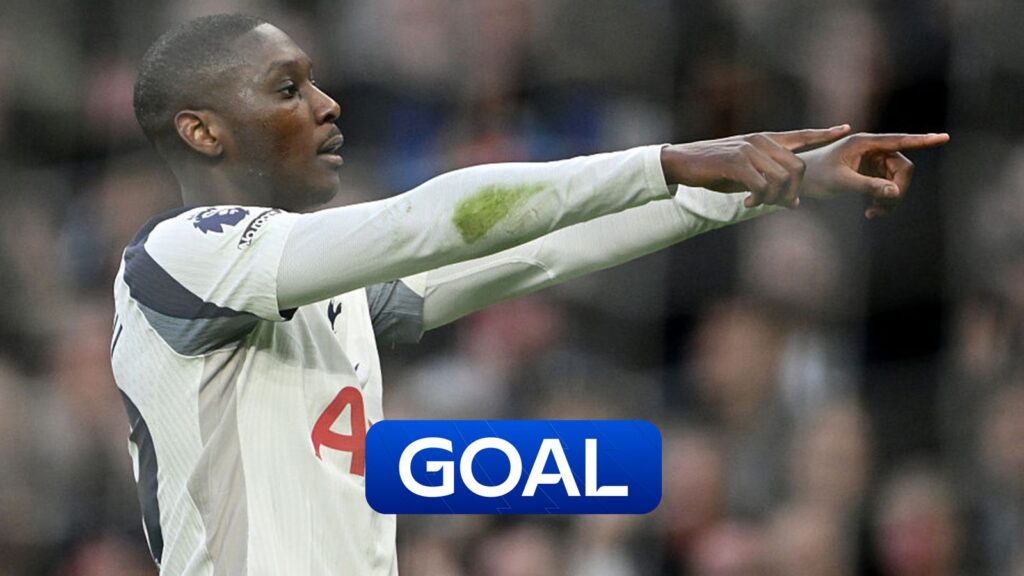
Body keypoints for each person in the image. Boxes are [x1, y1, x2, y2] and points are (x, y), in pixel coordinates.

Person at [111, 13, 948, 575]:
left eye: (314, 81)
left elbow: (542, 252)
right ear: (202, 131)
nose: (327, 104)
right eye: (288, 89)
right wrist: (664, 160)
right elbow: (426, 223)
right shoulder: (177, 259)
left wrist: (770, 180)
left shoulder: (335, 293)